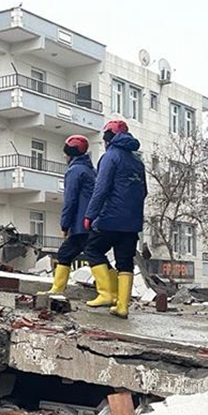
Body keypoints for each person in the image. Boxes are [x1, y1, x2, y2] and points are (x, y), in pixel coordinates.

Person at [81, 119, 147, 318]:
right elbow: (143, 192)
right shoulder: (137, 161)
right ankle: (122, 306)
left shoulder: (110, 157)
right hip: (132, 222)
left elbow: (100, 190)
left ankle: (106, 294)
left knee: (93, 249)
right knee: (125, 261)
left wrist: (90, 215)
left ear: (108, 138)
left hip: (110, 218)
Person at [39, 135, 96, 296]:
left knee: (68, 254)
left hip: (81, 224)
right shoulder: (90, 170)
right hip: (91, 222)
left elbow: (70, 200)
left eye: (65, 153)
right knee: (94, 255)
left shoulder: (75, 170)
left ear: (71, 154)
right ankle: (112, 292)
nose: (64, 156)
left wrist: (65, 225)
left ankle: (57, 289)